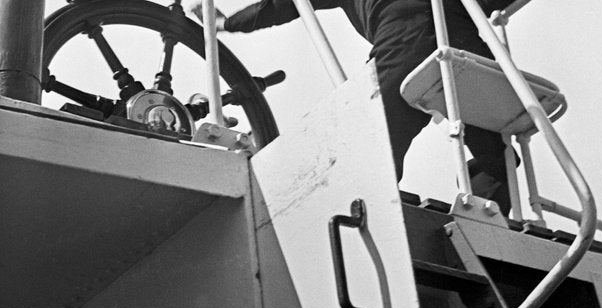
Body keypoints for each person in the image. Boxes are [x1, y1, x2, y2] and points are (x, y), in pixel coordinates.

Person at [193, 0, 518, 215]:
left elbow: (280, 5)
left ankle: (379, 217)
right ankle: (487, 223)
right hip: (469, 46)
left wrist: (225, 24)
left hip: (407, 42)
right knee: (496, 156)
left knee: (371, 143)